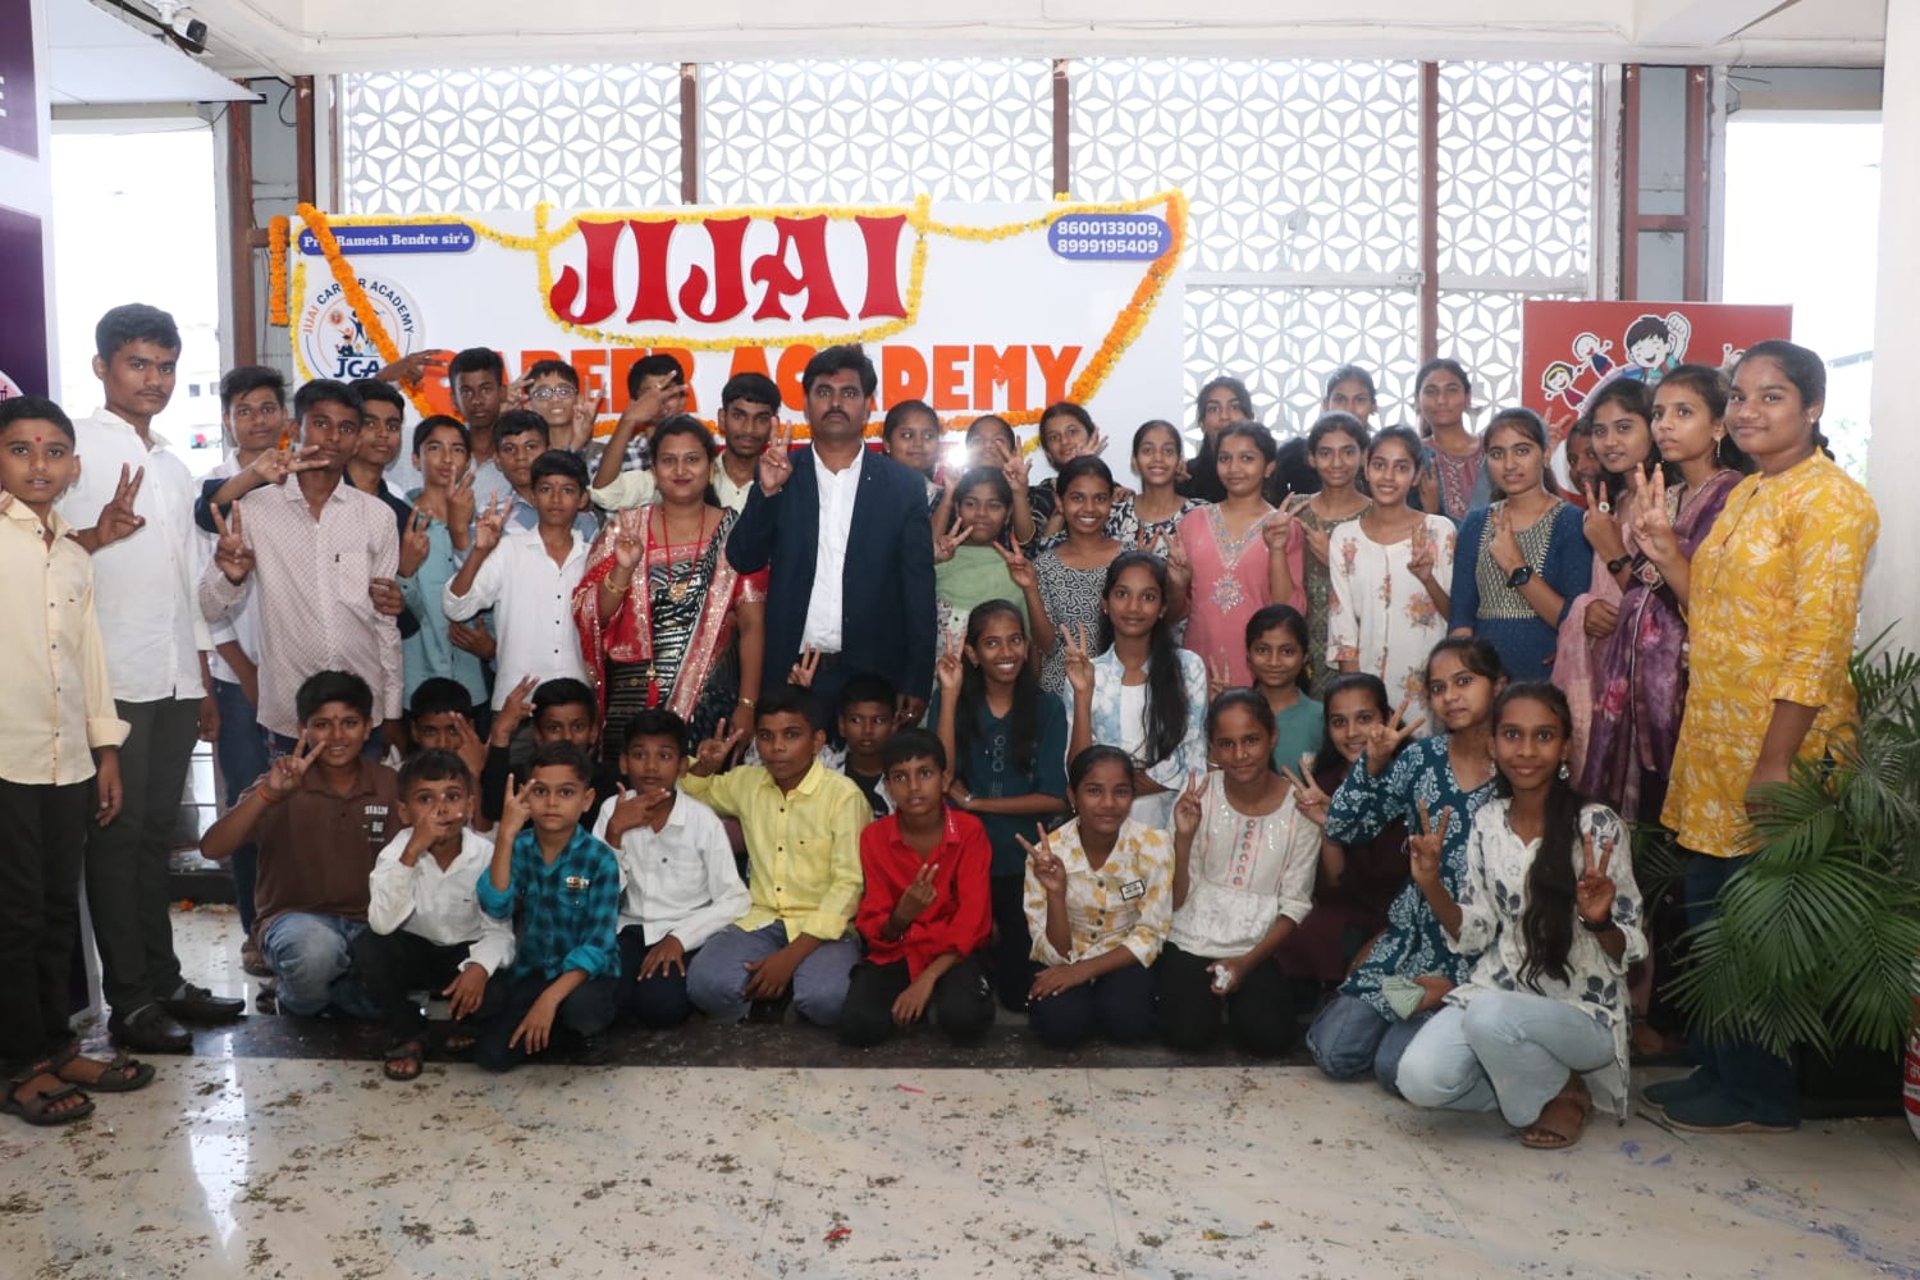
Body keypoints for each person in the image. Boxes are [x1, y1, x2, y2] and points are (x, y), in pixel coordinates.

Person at [1645, 340, 1878, 1135]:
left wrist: (1778, 757)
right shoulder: (1748, 493)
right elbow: (1710, 612)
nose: (1747, 411)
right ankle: (1719, 1069)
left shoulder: (1833, 503)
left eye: (1770, 397)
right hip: (1715, 741)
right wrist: (1665, 553)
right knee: (1712, 920)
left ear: (1813, 409)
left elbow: (1818, 644)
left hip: (1780, 751)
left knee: (1754, 930)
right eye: (1739, 396)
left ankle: (1762, 1093)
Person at [58, 304, 243, 1055]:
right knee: (117, 840)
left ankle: (164, 981)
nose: (156, 380)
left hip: (169, 678)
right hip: (109, 677)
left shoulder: (171, 464)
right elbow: (38, 551)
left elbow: (182, 585)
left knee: (153, 843)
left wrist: (199, 678)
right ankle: (129, 1002)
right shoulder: (72, 452)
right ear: (103, 366)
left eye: (166, 367)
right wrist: (93, 531)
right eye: (139, 364)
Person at [1394, 683, 1644, 1149]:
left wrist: (1598, 921)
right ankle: (1546, 1088)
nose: (1526, 751)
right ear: (1493, 745)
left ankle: (1569, 1089)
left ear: (1566, 745)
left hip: (1581, 1015)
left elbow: (1628, 950)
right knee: (1419, 1080)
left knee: (1488, 1016)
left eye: (1544, 736)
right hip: (1499, 992)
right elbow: (1475, 933)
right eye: (1512, 734)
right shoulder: (1488, 820)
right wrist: (1430, 884)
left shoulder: (1597, 826)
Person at [0, 396, 145, 1125]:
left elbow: (89, 656)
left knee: (60, 911)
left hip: (66, 762)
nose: (39, 464)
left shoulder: (72, 552)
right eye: (20, 449)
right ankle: (16, 1064)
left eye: (53, 450)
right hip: (6, 758)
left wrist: (105, 749)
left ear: (74, 465)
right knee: (15, 917)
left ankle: (54, 1046)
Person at [1305, 638, 1505, 1094]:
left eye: (1464, 681)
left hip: (1480, 952)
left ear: (1500, 685)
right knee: (1334, 1051)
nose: (1450, 695)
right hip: (1409, 945)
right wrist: (1372, 765)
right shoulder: (1420, 759)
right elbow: (1344, 825)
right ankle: (1413, 1011)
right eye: (1438, 687)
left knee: (1395, 1071)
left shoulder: (1518, 766)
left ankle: (1447, 1010)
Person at [726, 343, 935, 725]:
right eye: (824, 392)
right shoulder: (782, 471)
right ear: (806, 405)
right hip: (791, 672)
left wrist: (917, 679)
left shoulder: (902, 486)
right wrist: (767, 492)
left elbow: (919, 589)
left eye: (849, 393)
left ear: (868, 405)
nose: (835, 403)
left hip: (874, 677)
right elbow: (743, 558)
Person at [197, 378, 405, 755]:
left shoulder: (378, 517)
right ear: (295, 430)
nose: (332, 438)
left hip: (364, 711)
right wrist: (230, 575)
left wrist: (391, 710)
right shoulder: (256, 510)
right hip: (290, 711)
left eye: (346, 428)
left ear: (357, 440)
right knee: (294, 813)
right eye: (321, 423)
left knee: (365, 813)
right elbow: (210, 608)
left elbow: (384, 622)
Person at [1582, 366, 1746, 823]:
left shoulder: (1736, 497)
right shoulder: (1666, 494)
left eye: (1683, 412)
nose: (1665, 425)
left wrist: (1618, 550)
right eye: (1658, 413)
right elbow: (1642, 587)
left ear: (1718, 425)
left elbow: (1712, 602)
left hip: (1687, 680)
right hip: (1637, 671)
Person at [200, 671, 398, 1020]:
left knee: (387, 981)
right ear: (303, 731)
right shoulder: (280, 782)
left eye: (349, 723)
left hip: (372, 924)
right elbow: (212, 847)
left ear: (369, 728)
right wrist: (268, 795)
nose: (336, 736)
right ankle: (295, 999)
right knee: (315, 955)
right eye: (322, 724)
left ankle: (340, 989)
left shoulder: (390, 785)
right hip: (296, 922)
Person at [574, 415, 767, 757]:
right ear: (653, 470)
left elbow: (752, 624)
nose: (680, 470)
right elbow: (593, 616)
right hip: (633, 702)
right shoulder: (625, 529)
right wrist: (624, 568)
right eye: (668, 460)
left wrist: (748, 704)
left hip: (711, 701)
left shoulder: (736, 533)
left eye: (692, 459)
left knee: (707, 802)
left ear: (711, 469)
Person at [682, 687, 867, 1027]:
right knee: (704, 985)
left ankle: (790, 987)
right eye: (766, 736)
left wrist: (789, 957)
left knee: (828, 999)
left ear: (817, 741)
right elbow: (697, 791)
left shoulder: (843, 797)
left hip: (824, 927)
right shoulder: (748, 783)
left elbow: (848, 886)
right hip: (762, 918)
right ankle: (768, 998)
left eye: (791, 735)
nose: (777, 748)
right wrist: (704, 767)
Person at [1157, 691, 1321, 1056]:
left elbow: (1295, 904)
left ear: (1272, 736)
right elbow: (1176, 899)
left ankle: (1244, 999)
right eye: (1226, 744)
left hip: (1259, 945)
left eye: (1251, 740)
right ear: (1212, 750)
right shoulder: (1198, 798)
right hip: (1192, 935)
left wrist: (1245, 965)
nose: (1240, 754)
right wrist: (1183, 840)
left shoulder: (1300, 809)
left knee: (1267, 1040)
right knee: (1188, 1036)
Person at [932, 601, 1070, 1011]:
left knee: (1017, 996)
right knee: (964, 990)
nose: (1006, 652)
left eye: (1013, 641)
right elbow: (941, 778)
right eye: (991, 643)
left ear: (1027, 647)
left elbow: (1054, 797)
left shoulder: (1047, 707)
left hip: (1023, 862)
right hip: (964, 860)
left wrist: (978, 803)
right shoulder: (952, 700)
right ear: (972, 653)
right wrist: (952, 694)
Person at [352, 750, 513, 1081]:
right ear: (404, 812)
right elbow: (382, 923)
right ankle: (409, 1032)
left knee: (501, 988)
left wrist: (479, 968)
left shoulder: (485, 855)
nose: (441, 809)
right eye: (425, 799)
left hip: (463, 953)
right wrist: (412, 853)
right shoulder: (396, 852)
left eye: (452, 797)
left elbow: (501, 931)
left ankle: (464, 1019)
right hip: (414, 951)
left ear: (469, 806)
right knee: (368, 947)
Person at [202, 365, 288, 976]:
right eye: (244, 410)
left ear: (284, 417)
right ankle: (255, 929)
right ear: (228, 421)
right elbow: (201, 596)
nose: (256, 420)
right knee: (248, 809)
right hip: (240, 684)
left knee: (300, 811)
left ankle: (299, 921)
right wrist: (241, 668)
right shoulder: (210, 497)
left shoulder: (303, 487)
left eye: (266, 408)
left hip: (300, 681)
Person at [591, 709, 748, 1029]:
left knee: (660, 1007)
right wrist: (614, 835)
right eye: (639, 755)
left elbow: (735, 899)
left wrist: (680, 938)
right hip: (628, 928)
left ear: (681, 765)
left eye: (663, 756)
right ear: (623, 762)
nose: (650, 767)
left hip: (684, 928)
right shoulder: (612, 809)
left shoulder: (702, 819)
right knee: (603, 1002)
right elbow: (597, 894)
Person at [471, 742, 622, 1071]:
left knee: (580, 1008)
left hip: (584, 977)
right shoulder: (520, 848)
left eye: (566, 793)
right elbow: (496, 905)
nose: (552, 802)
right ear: (525, 797)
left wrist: (549, 999)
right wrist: (506, 836)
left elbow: (598, 945)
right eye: (540, 791)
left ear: (587, 800)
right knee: (491, 1057)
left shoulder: (600, 859)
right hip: (533, 972)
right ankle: (551, 1031)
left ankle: (584, 1032)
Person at [840, 729, 995, 1047]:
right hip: (898, 949)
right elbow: (874, 924)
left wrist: (927, 978)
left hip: (952, 953)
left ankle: (936, 996)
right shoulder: (875, 837)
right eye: (900, 777)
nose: (913, 787)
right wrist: (901, 916)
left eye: (924, 773)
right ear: (887, 786)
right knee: (858, 1026)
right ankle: (917, 1004)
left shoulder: (969, 832)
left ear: (945, 778)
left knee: (964, 1020)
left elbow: (973, 918)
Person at [1021, 746, 1172, 1049]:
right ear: (1073, 796)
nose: (1108, 804)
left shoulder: (1154, 845)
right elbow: (1054, 952)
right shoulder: (1047, 853)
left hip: (1122, 955)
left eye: (1120, 792)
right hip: (1067, 952)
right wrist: (1056, 893)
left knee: (1130, 1024)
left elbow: (1151, 934)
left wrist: (1083, 972)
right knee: (1060, 1028)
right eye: (1093, 791)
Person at [1273, 673, 1408, 988]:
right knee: (1314, 935)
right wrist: (1330, 826)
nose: (1351, 733)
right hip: (1352, 914)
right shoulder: (1324, 782)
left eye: (1364, 719)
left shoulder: (1415, 772)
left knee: (1398, 994)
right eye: (1338, 722)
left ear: (1387, 718)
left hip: (1411, 916)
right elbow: (1334, 888)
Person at [1552, 380, 1657, 776]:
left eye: (1624, 427)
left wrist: (1612, 551)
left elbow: (1667, 611)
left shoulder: (1668, 500)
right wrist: (1584, 613)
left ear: (1654, 427)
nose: (1609, 441)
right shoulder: (1618, 501)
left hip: (1646, 684)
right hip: (1605, 670)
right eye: (1600, 430)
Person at [1064, 552, 1208, 829]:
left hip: (1174, 826)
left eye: (1148, 597)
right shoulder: (1086, 673)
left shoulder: (1189, 668)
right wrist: (1083, 694)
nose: (1134, 607)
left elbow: (1189, 762)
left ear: (1163, 608)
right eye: (1122, 594)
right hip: (1103, 829)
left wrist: (1109, 788)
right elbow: (1078, 773)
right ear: (1105, 602)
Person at [444, 450, 594, 717]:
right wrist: (479, 551)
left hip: (576, 709)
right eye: (546, 489)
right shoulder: (507, 551)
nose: (556, 499)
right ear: (534, 496)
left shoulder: (592, 557)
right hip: (516, 707)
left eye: (568, 490)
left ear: (582, 498)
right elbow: (456, 608)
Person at [1447, 409, 1590, 679]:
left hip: (1547, 676)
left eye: (1522, 451)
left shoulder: (1571, 523)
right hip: (1484, 678)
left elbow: (1574, 619)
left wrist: (1516, 566)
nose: (1509, 464)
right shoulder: (1476, 524)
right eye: (1498, 454)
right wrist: (1466, 679)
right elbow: (1461, 619)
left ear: (1546, 455)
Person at [1327, 425, 1457, 710]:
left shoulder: (1440, 531)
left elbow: (1456, 618)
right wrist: (1357, 703)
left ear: (1416, 476)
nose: (1388, 476)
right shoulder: (1344, 538)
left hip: (1428, 691)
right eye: (1379, 465)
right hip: (1366, 693)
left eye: (1400, 467)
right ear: (1366, 467)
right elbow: (1343, 631)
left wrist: (1428, 580)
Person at [1173, 422, 1289, 688]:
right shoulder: (1193, 522)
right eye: (1225, 459)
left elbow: (1287, 608)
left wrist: (1279, 548)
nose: (1234, 468)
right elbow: (1176, 612)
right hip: (1197, 666)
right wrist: (1176, 582)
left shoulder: (1283, 527)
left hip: (1260, 668)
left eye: (1246, 458)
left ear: (1269, 466)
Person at [1270, 413, 1373, 696]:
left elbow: (1384, 592)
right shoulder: (1295, 512)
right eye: (1326, 453)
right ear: (1311, 458)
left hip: (1361, 645)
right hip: (1299, 648)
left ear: (1364, 455)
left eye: (1347, 452)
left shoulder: (1376, 515)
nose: (1337, 463)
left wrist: (1336, 563)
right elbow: (1280, 600)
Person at [395, 415, 488, 711]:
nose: (447, 458)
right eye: (435, 447)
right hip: (415, 684)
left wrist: (492, 647)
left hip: (474, 683)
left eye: (458, 449)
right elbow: (395, 612)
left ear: (468, 462)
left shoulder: (485, 526)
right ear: (415, 459)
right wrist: (405, 571)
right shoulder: (397, 522)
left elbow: (493, 599)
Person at [592, 372, 779, 516]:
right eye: (739, 416)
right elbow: (607, 494)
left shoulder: (783, 481)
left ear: (773, 424)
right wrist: (628, 421)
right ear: (722, 418)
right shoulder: (689, 473)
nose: (748, 429)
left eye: (761, 419)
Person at [476, 677, 621, 827]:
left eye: (578, 727)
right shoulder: (523, 779)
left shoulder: (613, 782)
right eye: (554, 728)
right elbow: (493, 809)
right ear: (538, 735)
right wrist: (501, 733)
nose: (567, 737)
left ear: (593, 732)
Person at [1032, 455, 1121, 696]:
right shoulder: (1045, 565)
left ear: (1112, 501)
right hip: (1061, 689)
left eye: (1100, 498)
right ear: (1059, 502)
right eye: (1077, 498)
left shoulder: (1128, 559)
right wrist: (1030, 588)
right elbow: (1047, 645)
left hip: (1119, 686)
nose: (1089, 508)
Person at [932, 466, 1044, 649]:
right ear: (957, 509)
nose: (981, 513)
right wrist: (933, 560)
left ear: (1008, 514)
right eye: (970, 504)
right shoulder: (938, 561)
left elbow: (1040, 644)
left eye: (993, 506)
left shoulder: (1018, 570)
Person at [485, 409, 600, 544]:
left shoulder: (578, 513)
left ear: (548, 451)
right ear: (497, 460)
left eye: (531, 447)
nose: (520, 457)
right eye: (509, 449)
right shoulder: (491, 517)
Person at [1242, 604, 1324, 769]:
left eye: (1287, 652)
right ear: (1248, 656)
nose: (1274, 662)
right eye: (1263, 650)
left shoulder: (1322, 718)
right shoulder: (1237, 714)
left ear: (1304, 657)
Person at [590, 353, 687, 490]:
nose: (660, 400)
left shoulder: (703, 452)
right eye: (650, 395)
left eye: (668, 392)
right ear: (635, 403)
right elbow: (603, 493)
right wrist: (628, 420)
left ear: (682, 400)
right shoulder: (617, 458)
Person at [1107, 419, 1203, 555]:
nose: (1158, 457)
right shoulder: (1114, 516)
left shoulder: (1200, 514)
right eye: (1148, 450)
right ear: (1134, 461)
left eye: (1168, 451)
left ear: (1179, 461)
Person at [1412, 358, 1487, 522]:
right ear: (1417, 400)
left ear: (1467, 397)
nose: (1441, 400)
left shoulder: (1493, 449)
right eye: (1431, 391)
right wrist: (1430, 511)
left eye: (1451, 390)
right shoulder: (1413, 457)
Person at [343, 379, 416, 535]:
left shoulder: (401, 514)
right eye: (370, 423)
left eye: (393, 427)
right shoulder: (319, 496)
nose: (383, 433)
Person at [825, 673, 900, 819]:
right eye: (856, 720)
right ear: (841, 725)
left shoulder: (906, 780)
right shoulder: (824, 770)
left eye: (878, 720)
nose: (867, 730)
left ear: (894, 725)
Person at [447, 347, 515, 506]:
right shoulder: (437, 452)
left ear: (502, 392)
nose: (477, 400)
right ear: (454, 400)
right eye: (466, 392)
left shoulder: (520, 455)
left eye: (486, 389)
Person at [1176, 375, 1255, 502]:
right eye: (1214, 409)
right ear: (1202, 423)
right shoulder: (1185, 477)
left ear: (1250, 418)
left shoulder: (1267, 473)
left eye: (1234, 407)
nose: (1224, 416)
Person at [520, 358, 603, 454]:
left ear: (579, 399)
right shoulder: (524, 457)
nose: (555, 400)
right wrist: (576, 445)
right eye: (543, 394)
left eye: (564, 392)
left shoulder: (606, 455)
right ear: (527, 405)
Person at [881, 398, 945, 510]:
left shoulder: (947, 500)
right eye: (907, 435)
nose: (918, 443)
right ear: (887, 443)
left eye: (928, 436)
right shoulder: (868, 492)